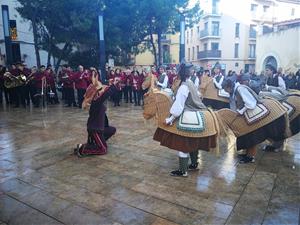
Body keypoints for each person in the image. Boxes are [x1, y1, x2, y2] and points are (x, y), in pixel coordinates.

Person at [154, 62, 215, 177]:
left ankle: (183, 171)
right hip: (199, 113)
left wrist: (170, 119)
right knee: (192, 142)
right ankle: (194, 164)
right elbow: (197, 95)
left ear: (180, 73)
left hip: (189, 115)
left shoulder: (183, 86)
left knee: (182, 144)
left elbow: (179, 106)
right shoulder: (190, 82)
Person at [222, 74, 287, 163]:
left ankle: (250, 156)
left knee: (251, 135)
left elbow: (251, 104)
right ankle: (247, 153)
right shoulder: (235, 90)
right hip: (247, 114)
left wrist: (240, 112)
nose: (225, 91)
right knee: (246, 135)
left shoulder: (240, 89)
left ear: (229, 87)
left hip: (252, 114)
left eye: (225, 89)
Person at [75, 73, 119, 157]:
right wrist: (113, 85)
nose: (101, 91)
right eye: (99, 91)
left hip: (100, 128)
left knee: (112, 129)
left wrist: (110, 85)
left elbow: (104, 94)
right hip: (95, 130)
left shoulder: (97, 102)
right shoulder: (95, 103)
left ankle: (97, 143)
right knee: (103, 150)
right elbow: (105, 95)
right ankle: (82, 149)